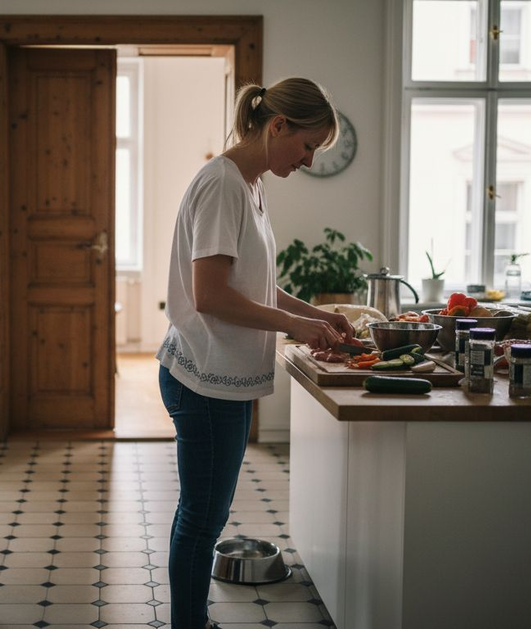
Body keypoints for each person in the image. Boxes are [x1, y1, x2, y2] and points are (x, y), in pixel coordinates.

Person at [156, 78, 354, 629]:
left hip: (219, 373)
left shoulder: (250, 183)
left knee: (204, 515)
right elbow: (212, 296)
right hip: (205, 376)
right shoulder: (222, 184)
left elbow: (253, 285)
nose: (310, 160)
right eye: (308, 145)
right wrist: (294, 325)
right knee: (202, 519)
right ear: (278, 126)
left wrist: (315, 314)